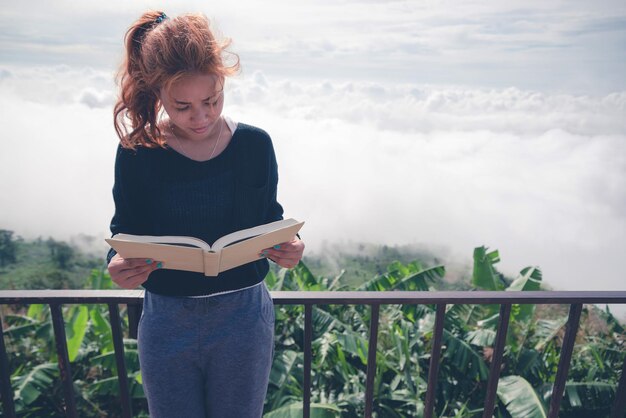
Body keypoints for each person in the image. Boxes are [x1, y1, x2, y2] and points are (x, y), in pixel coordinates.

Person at [105, 11, 305, 418]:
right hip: (166, 318)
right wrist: (118, 266)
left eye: (212, 100)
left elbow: (271, 218)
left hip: (244, 318)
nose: (201, 117)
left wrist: (291, 247)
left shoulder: (255, 145)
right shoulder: (137, 154)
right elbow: (122, 230)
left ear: (223, 84)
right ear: (157, 94)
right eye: (183, 107)